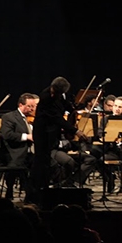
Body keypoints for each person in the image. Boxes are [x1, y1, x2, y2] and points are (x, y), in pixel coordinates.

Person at [27, 77, 88, 205]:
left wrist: (74, 109)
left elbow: (64, 105)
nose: (55, 94)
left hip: (51, 134)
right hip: (42, 133)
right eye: (54, 91)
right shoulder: (46, 97)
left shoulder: (59, 95)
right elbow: (57, 118)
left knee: (45, 163)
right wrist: (75, 131)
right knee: (41, 163)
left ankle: (43, 191)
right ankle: (34, 193)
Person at [0, 93, 37, 199]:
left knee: (48, 164)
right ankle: (14, 191)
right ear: (20, 105)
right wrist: (27, 136)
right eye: (29, 106)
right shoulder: (9, 117)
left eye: (33, 106)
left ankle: (36, 193)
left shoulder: (32, 118)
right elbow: (7, 134)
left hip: (31, 153)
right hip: (14, 152)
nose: (32, 109)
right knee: (17, 167)